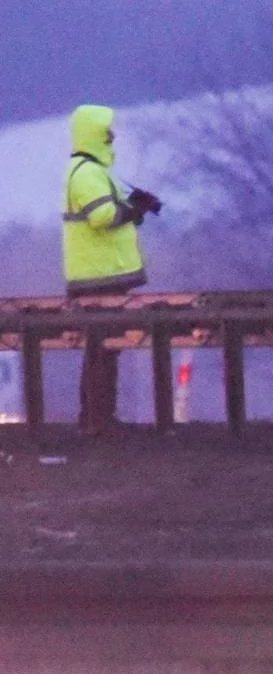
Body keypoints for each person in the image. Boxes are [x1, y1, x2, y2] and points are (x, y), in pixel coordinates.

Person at [61, 104, 160, 435]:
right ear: (94, 133)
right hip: (97, 277)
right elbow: (102, 217)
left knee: (103, 349)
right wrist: (135, 210)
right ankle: (96, 420)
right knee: (101, 349)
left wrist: (135, 206)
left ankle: (97, 418)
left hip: (100, 275)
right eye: (107, 130)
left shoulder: (92, 170)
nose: (113, 136)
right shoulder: (88, 173)